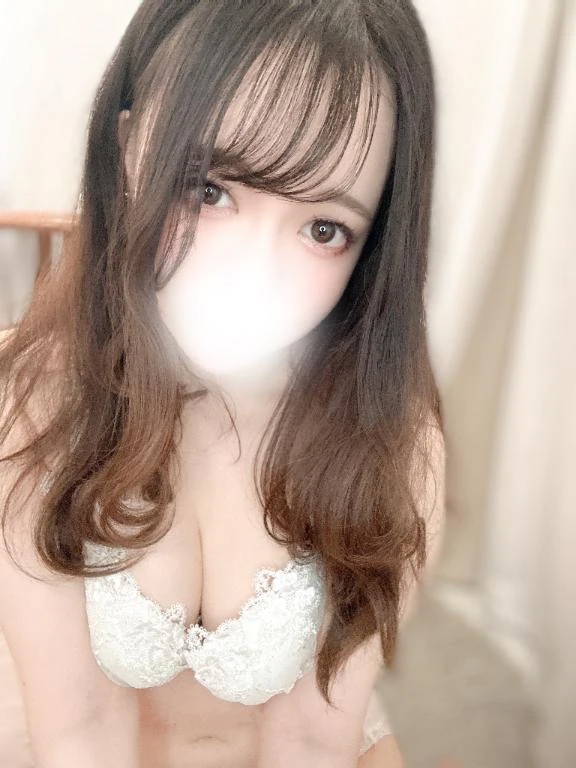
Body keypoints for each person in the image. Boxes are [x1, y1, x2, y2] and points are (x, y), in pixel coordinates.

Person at [0, 1, 444, 766]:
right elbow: (79, 730)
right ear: (130, 149)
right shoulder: (34, 396)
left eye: (324, 229)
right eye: (208, 190)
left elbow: (311, 741)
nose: (252, 274)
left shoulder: (393, 441)